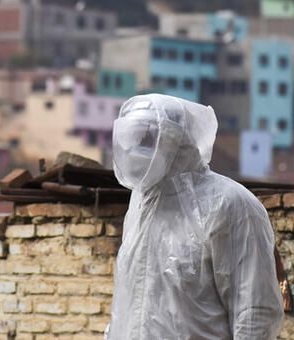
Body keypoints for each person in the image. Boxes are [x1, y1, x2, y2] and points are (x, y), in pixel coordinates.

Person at [107, 93, 283, 339]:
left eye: (145, 139)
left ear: (173, 139)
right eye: (131, 139)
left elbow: (255, 312)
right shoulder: (140, 204)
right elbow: (127, 306)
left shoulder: (229, 205)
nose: (134, 149)